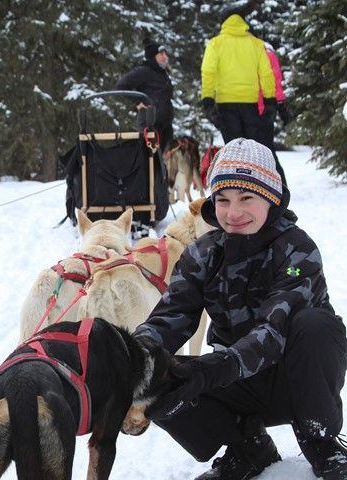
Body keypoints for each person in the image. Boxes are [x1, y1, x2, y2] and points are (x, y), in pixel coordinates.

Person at [135, 138, 347, 480]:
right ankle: (249, 446)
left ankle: (321, 443)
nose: (233, 213)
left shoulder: (296, 250)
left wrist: (213, 368)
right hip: (239, 381)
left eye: (247, 198)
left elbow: (275, 329)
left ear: (272, 198)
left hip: (297, 380)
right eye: (223, 200)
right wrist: (132, 356)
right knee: (154, 376)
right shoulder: (203, 254)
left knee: (314, 325)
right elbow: (170, 317)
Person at [200, 9, 276, 145]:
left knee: (233, 148)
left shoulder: (215, 43)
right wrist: (270, 100)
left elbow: (208, 72)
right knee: (250, 148)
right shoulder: (256, 44)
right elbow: (266, 73)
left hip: (226, 103)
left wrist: (208, 99)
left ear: (223, 22)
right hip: (250, 104)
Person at [116, 38, 174, 152]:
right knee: (148, 162)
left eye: (165, 54)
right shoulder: (143, 71)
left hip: (165, 125)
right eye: (161, 54)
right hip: (149, 125)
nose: (165, 57)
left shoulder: (162, 73)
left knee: (163, 164)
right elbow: (121, 86)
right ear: (153, 56)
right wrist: (137, 103)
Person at [257, 41, 291, 185]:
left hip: (260, 109)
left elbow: (275, 82)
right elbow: (277, 83)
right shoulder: (266, 53)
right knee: (266, 152)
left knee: (266, 152)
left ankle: (280, 187)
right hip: (263, 109)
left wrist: (281, 104)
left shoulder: (265, 54)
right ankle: (277, 186)